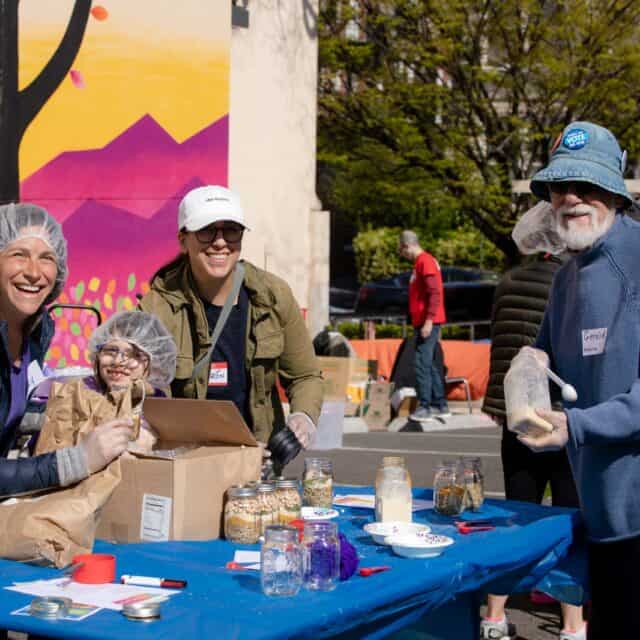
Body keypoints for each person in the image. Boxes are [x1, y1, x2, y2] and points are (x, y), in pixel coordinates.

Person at [513, 121, 640, 639]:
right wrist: (529, 367)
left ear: (615, 191)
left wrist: (577, 426)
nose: (571, 198)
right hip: (600, 514)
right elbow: (543, 354)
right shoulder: (567, 276)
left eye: (585, 186)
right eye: (559, 187)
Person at [138, 185, 323, 465]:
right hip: (188, 462)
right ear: (183, 240)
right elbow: (136, 387)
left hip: (260, 462)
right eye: (206, 230)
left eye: (231, 230)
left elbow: (305, 376)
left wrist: (304, 416)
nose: (220, 242)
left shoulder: (272, 296)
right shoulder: (157, 308)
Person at [480, 212, 584, 640]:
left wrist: (496, 404)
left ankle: (493, 616)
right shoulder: (574, 282)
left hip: (516, 415)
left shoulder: (507, 281)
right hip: (560, 415)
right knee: (568, 518)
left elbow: (501, 344)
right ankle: (572, 625)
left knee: (518, 514)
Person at [0, 203, 131, 495]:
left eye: (46, 257)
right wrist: (74, 461)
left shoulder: (34, 329)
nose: (34, 272)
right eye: (19, 254)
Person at [35, 310, 177, 457]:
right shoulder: (79, 394)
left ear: (154, 362)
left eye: (134, 355)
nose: (118, 361)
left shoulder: (156, 403)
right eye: (110, 351)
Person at [398, 230, 450, 422]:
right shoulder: (422, 262)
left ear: (406, 246)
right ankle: (440, 404)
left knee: (421, 363)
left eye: (402, 251)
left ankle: (426, 405)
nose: (403, 256)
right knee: (429, 364)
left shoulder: (424, 262)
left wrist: (429, 320)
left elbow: (435, 293)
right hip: (426, 321)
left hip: (428, 322)